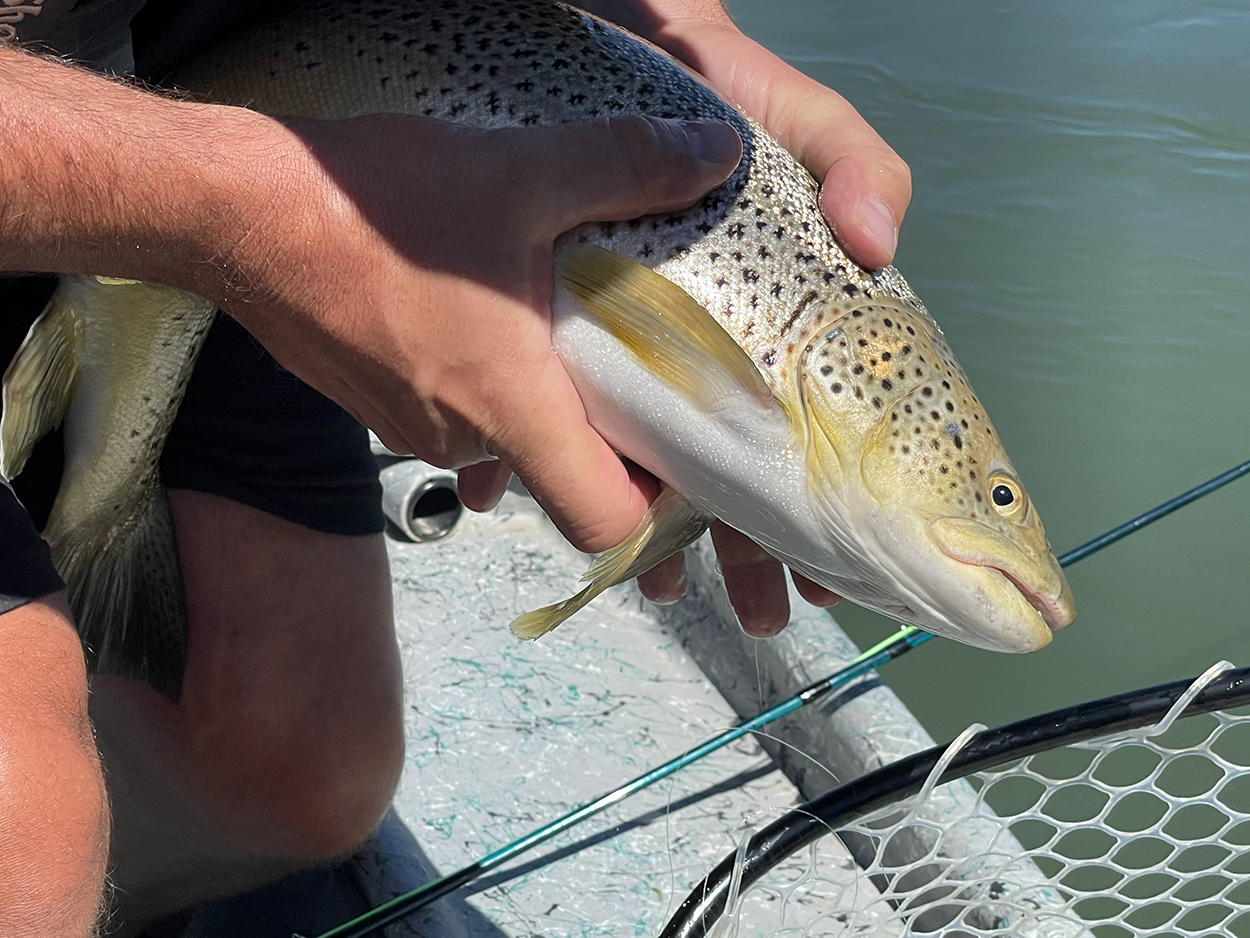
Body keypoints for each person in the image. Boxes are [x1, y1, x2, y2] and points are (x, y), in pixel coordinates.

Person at [0, 0, 912, 935]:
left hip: (294, 95)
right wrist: (250, 215)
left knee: (304, 778)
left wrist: (681, 34)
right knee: (29, 858)